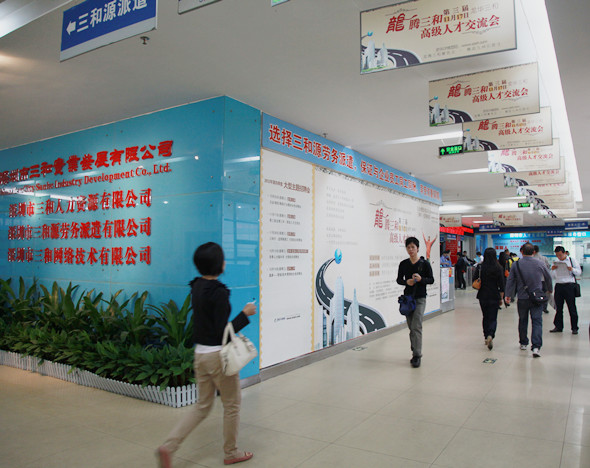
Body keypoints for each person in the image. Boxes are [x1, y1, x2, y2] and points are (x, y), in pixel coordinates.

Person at [157, 242, 257, 468]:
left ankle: (169, 447)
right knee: (232, 405)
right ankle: (231, 452)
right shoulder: (219, 293)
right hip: (218, 357)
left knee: (202, 406)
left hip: (200, 355)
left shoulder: (197, 287)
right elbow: (223, 332)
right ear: (219, 264)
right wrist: (244, 314)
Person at [505, 242, 553, 358]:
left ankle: (523, 343)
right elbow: (548, 277)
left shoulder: (516, 264)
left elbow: (510, 280)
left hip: (522, 298)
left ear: (521, 252)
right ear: (534, 252)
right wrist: (550, 289)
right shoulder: (540, 263)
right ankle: (536, 347)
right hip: (536, 298)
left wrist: (508, 295)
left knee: (523, 320)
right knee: (537, 321)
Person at [397, 236, 435, 368]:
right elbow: (399, 280)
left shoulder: (424, 264)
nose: (411, 250)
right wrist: (406, 282)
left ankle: (417, 355)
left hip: (420, 298)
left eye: (413, 247)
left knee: (416, 325)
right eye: (408, 247)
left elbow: (431, 279)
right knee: (411, 326)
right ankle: (415, 347)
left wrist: (421, 279)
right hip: (408, 299)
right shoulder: (403, 264)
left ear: (418, 248)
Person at [472, 248, 505, 350]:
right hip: (494, 295)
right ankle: (491, 334)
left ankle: (486, 336)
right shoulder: (498, 267)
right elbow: (502, 284)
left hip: (482, 295)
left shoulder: (480, 267)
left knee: (485, 316)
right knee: (493, 317)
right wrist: (501, 298)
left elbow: (474, 279)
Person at [550, 246, 582, 334]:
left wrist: (572, 269)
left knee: (572, 307)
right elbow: (552, 276)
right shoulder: (556, 262)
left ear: (564, 253)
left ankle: (574, 328)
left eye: (560, 255)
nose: (559, 257)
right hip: (559, 286)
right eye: (557, 255)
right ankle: (558, 326)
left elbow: (579, 272)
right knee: (558, 308)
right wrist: (552, 270)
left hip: (569, 286)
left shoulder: (572, 260)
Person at [533, 245, 551, 313]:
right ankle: (544, 307)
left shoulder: (531, 259)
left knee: (536, 294)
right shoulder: (544, 258)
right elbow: (547, 268)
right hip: (543, 279)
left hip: (534, 280)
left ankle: (537, 306)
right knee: (544, 293)